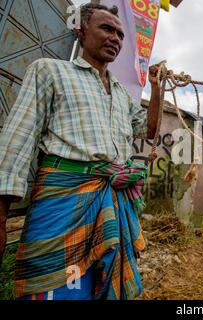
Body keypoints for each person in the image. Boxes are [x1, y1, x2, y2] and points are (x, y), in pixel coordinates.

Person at [0, 4, 162, 300]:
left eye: (120, 34)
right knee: (59, 289)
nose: (115, 38)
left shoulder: (121, 94)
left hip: (111, 202)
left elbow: (149, 131)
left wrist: (157, 87)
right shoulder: (50, 71)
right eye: (107, 29)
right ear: (81, 30)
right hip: (63, 203)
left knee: (100, 285)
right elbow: (17, 141)